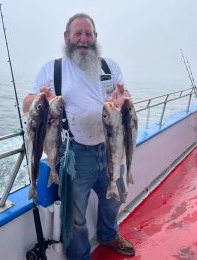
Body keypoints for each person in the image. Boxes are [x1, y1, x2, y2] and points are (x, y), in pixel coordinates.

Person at [23, 13, 135, 259]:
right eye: (78, 34)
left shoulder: (109, 66)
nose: (83, 39)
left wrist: (123, 99)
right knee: (75, 217)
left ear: (95, 37)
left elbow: (125, 95)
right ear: (67, 37)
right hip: (74, 154)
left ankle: (109, 235)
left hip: (109, 148)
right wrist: (42, 98)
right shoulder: (53, 69)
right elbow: (27, 103)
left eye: (88, 34)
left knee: (113, 200)